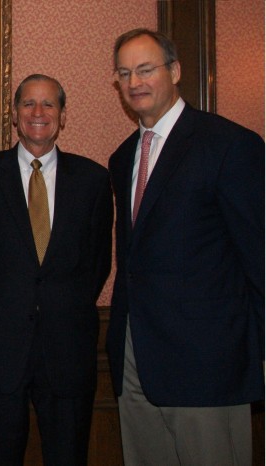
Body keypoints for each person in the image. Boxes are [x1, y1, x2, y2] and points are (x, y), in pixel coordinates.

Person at [106, 28, 264, 465]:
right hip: (135, 359)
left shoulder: (230, 145)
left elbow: (260, 258)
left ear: (174, 71)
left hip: (207, 365)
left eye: (145, 69)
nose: (134, 82)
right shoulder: (123, 158)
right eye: (124, 73)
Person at [0, 74, 112, 465]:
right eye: (28, 103)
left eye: (49, 104)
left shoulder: (93, 180)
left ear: (62, 116)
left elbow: (98, 262)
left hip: (68, 350)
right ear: (14, 115)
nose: (38, 112)